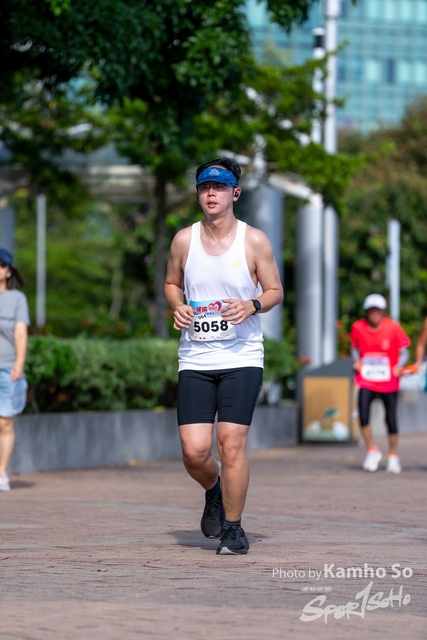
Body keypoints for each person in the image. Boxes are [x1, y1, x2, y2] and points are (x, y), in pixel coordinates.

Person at [164, 157, 283, 555]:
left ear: (235, 193)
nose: (210, 193)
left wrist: (252, 305)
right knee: (194, 452)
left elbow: (275, 290)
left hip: (242, 356)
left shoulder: (254, 241)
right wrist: (177, 305)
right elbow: (171, 282)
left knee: (230, 444)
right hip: (196, 358)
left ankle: (233, 528)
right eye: (204, 187)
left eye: (218, 187)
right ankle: (214, 489)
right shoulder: (184, 240)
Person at [351, 293, 410, 474]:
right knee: (363, 414)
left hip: (388, 379)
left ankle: (393, 455)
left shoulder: (393, 327)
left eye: (378, 310)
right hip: (366, 379)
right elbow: (354, 348)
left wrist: (399, 366)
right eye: (371, 310)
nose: (374, 313)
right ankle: (372, 450)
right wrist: (356, 361)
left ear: (383, 311)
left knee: (390, 418)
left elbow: (405, 352)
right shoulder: (358, 327)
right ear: (366, 311)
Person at [0, 248, 29, 492]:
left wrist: (19, 363)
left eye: (1, 265)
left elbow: (20, 333)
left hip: (7, 369)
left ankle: (1, 473)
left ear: (9, 270)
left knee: (4, 424)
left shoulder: (17, 299)